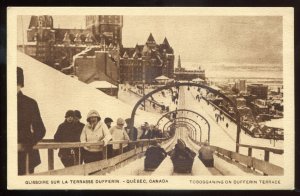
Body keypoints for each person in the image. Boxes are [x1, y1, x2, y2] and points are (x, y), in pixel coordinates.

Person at [17, 67, 46, 175]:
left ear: (20, 84)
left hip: (24, 156)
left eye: (16, 83)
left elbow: (40, 130)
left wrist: (27, 142)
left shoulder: (29, 103)